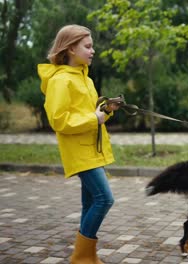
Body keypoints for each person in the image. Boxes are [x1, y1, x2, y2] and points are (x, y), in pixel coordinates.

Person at [38, 24, 119, 263]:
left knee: (91, 202)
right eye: (88, 46)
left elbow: (93, 113)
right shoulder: (60, 81)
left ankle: (86, 257)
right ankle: (81, 258)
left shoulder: (86, 78)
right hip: (79, 152)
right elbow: (59, 120)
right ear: (71, 48)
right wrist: (95, 118)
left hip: (93, 148)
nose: (93, 51)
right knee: (105, 199)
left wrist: (106, 110)